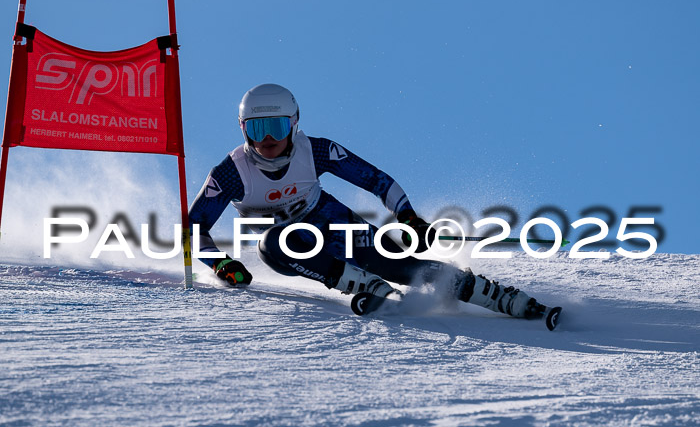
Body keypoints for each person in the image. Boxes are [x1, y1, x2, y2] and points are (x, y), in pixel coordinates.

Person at [189, 83, 555, 322]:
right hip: (290, 246)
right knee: (274, 242)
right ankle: (361, 284)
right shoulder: (232, 172)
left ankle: (497, 297)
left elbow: (377, 180)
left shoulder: (315, 150)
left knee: (402, 267)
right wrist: (219, 263)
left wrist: (408, 216)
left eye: (278, 128)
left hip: (332, 221)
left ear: (294, 125)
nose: (268, 139)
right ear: (243, 129)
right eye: (257, 129)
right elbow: (193, 228)